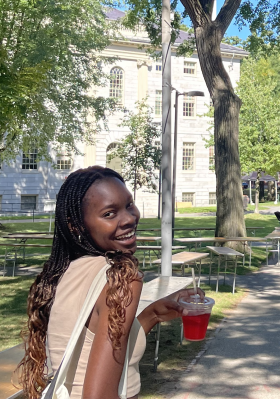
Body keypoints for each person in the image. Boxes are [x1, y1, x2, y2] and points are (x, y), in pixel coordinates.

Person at [18, 166, 201, 399]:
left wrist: (153, 314)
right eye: (109, 214)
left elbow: (93, 342)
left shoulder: (66, 270)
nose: (129, 218)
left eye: (129, 205)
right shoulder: (121, 277)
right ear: (76, 225)